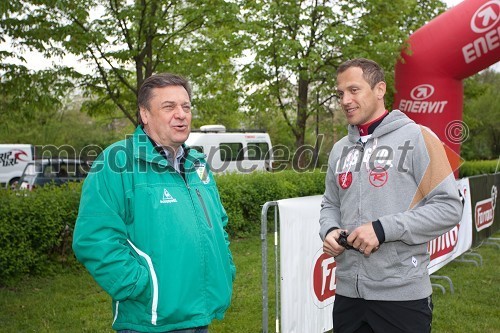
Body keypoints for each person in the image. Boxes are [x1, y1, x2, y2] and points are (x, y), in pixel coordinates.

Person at [73, 73, 236, 333]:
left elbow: (219, 223)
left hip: (200, 314)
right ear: (145, 114)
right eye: (169, 107)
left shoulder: (198, 164)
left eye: (186, 106)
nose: (181, 114)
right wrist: (140, 286)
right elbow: (93, 238)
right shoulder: (117, 162)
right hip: (151, 321)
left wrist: (225, 266)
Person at [319, 58, 462, 333]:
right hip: (348, 294)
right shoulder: (339, 149)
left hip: (402, 297)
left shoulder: (419, 137)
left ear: (380, 89)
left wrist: (383, 229)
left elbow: (449, 207)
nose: (345, 100)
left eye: (354, 90)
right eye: (340, 94)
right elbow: (330, 203)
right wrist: (330, 229)